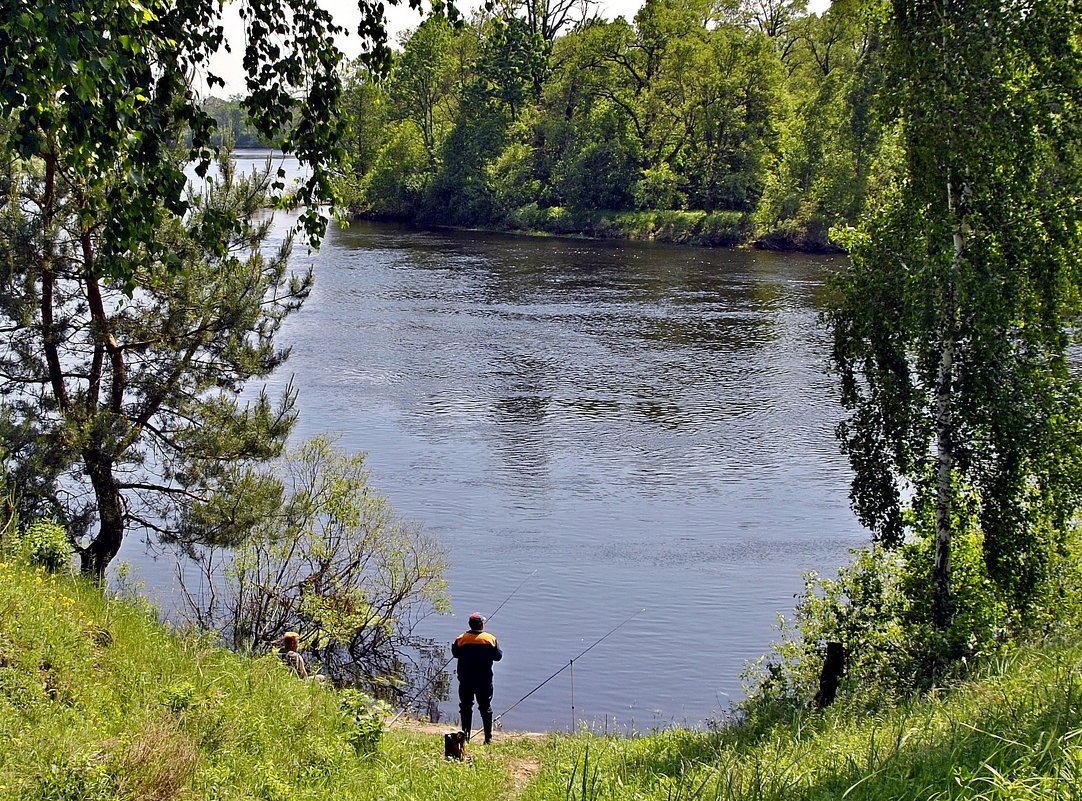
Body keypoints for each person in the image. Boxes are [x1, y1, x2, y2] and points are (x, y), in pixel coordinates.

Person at [451, 612, 502, 744]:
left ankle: (465, 737)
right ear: (482, 625)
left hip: (465, 680)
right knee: (486, 708)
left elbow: (455, 654)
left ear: (470, 624)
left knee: (465, 707)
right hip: (484, 681)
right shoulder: (490, 639)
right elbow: (498, 657)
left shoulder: (461, 639)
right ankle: (488, 738)